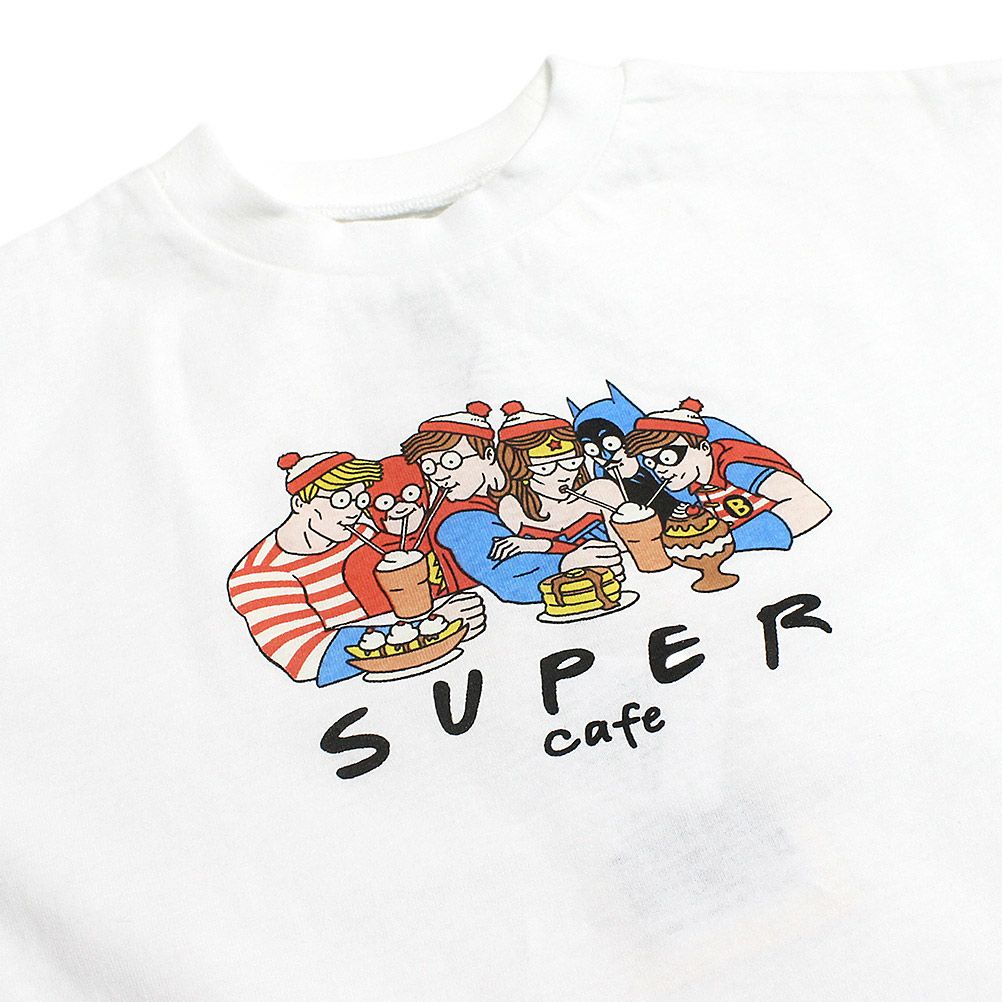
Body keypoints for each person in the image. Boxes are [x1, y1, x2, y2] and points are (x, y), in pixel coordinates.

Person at [227, 449, 484, 685]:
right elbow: (305, 659)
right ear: (300, 504)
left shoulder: (362, 535)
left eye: (360, 501)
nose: (353, 512)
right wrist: (437, 627)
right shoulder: (258, 575)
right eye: (341, 500)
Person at [401, 402, 623, 603]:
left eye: (451, 461)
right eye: (429, 467)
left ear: (489, 455)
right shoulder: (460, 517)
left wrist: (543, 546)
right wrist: (566, 563)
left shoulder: (507, 498)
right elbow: (512, 579)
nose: (439, 476)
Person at [624, 399, 831, 551]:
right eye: (650, 462)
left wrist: (727, 543)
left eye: (668, 457)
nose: (660, 469)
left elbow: (811, 506)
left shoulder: (735, 466)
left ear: (704, 448)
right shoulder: (692, 487)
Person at [489, 401, 623, 562]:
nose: (563, 475)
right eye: (545, 468)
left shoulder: (601, 491)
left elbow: (625, 549)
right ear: (519, 470)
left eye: (571, 463)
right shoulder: (512, 507)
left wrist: (543, 546)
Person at [342, 454, 450, 617]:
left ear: (427, 488)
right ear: (368, 511)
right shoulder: (362, 563)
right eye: (384, 503)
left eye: (410, 494)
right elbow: (383, 618)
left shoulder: (448, 529)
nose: (400, 508)